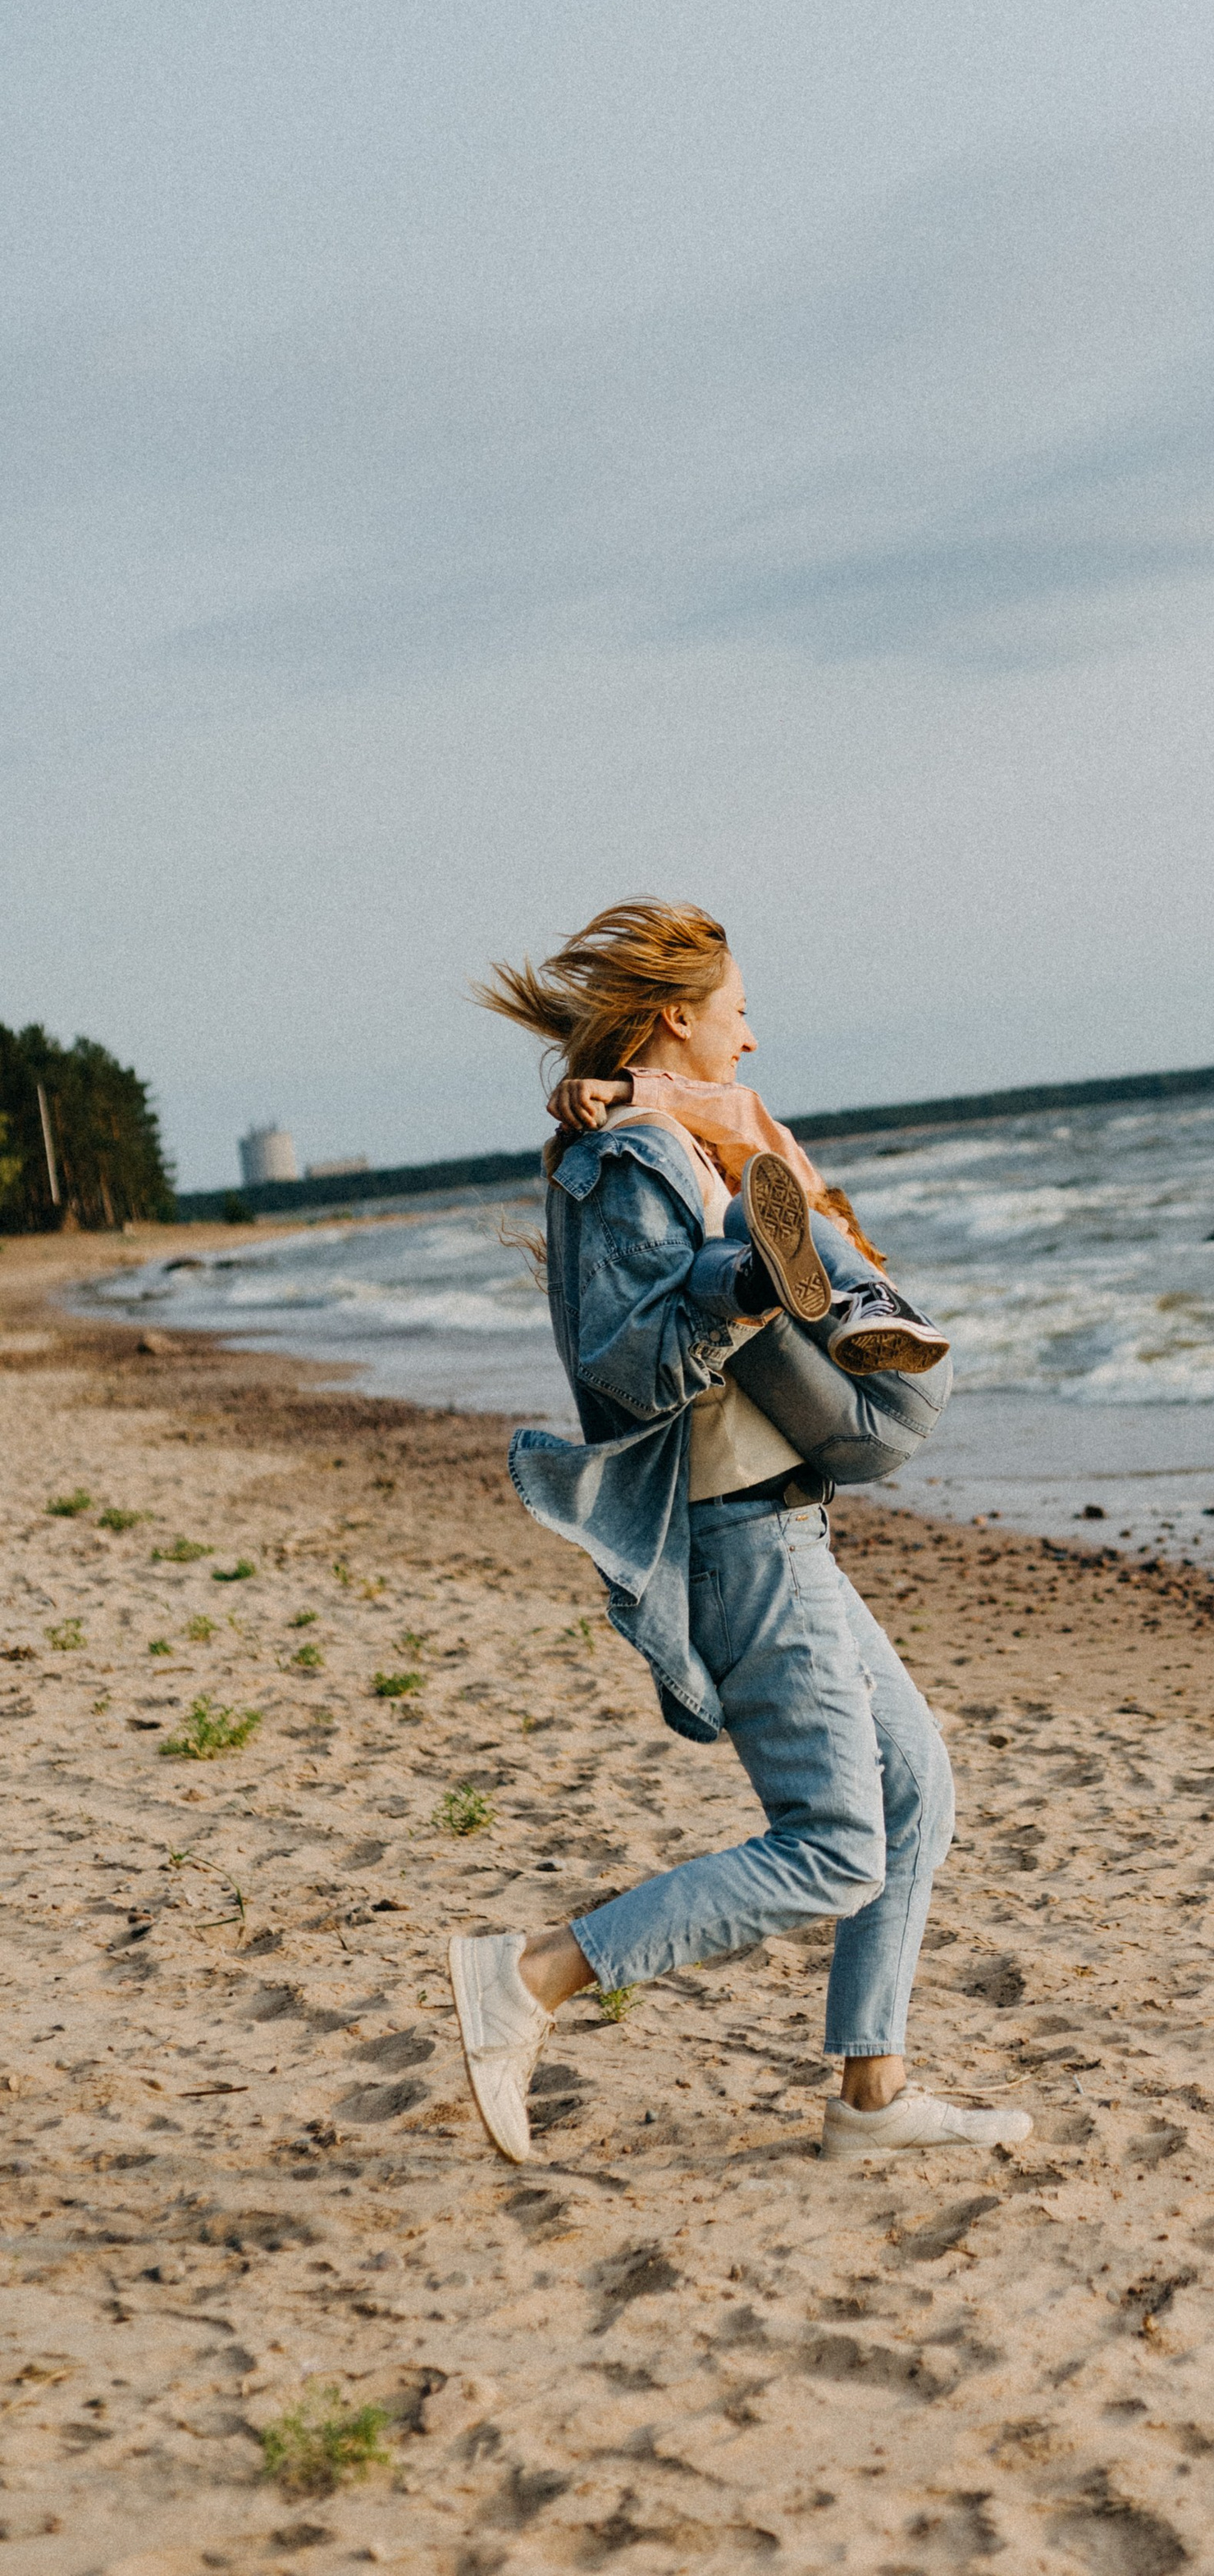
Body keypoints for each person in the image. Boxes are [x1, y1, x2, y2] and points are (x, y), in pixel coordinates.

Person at [443, 896, 1030, 2170]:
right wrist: (748, 1282)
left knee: (916, 1785)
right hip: (735, 1539)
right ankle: (536, 1975)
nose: (752, 1040)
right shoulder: (626, 1168)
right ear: (677, 1017)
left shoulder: (688, 1143)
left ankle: (872, 2096)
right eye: (740, 1013)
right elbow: (627, 1369)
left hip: (785, 1527)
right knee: (829, 1845)